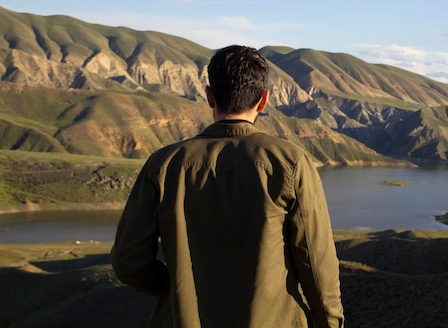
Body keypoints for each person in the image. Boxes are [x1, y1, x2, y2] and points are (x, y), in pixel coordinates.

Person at [111, 45, 345, 328]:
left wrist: (177, 290)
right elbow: (317, 264)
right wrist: (331, 323)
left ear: (210, 96)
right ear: (264, 101)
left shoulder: (163, 164)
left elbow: (128, 262)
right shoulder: (291, 162)